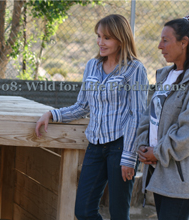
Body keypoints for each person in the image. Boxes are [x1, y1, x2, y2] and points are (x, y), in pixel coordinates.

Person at [35, 14, 148, 220]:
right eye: (98, 36)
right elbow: (82, 106)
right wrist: (53, 114)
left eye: (106, 38)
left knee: (118, 214)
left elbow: (137, 115)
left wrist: (129, 157)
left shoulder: (135, 69)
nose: (100, 42)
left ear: (120, 39)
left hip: (121, 147)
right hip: (95, 146)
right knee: (83, 211)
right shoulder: (92, 66)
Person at [135, 16, 189, 220]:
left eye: (166, 40)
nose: (159, 46)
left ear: (184, 42)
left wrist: (157, 152)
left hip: (179, 179)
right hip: (157, 172)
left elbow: (186, 132)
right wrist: (141, 144)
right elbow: (149, 116)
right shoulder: (165, 75)